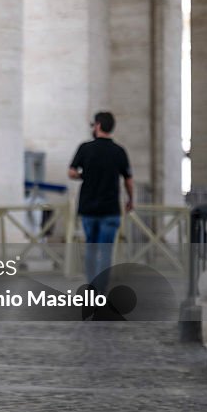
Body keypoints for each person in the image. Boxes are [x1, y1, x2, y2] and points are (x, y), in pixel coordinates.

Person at [68, 111, 134, 293]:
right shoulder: (119, 151)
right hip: (111, 208)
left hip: (89, 207)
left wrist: (84, 175)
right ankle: (101, 290)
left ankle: (91, 288)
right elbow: (128, 179)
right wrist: (131, 199)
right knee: (105, 251)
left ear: (97, 125)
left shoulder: (85, 148)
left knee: (91, 248)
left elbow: (71, 172)